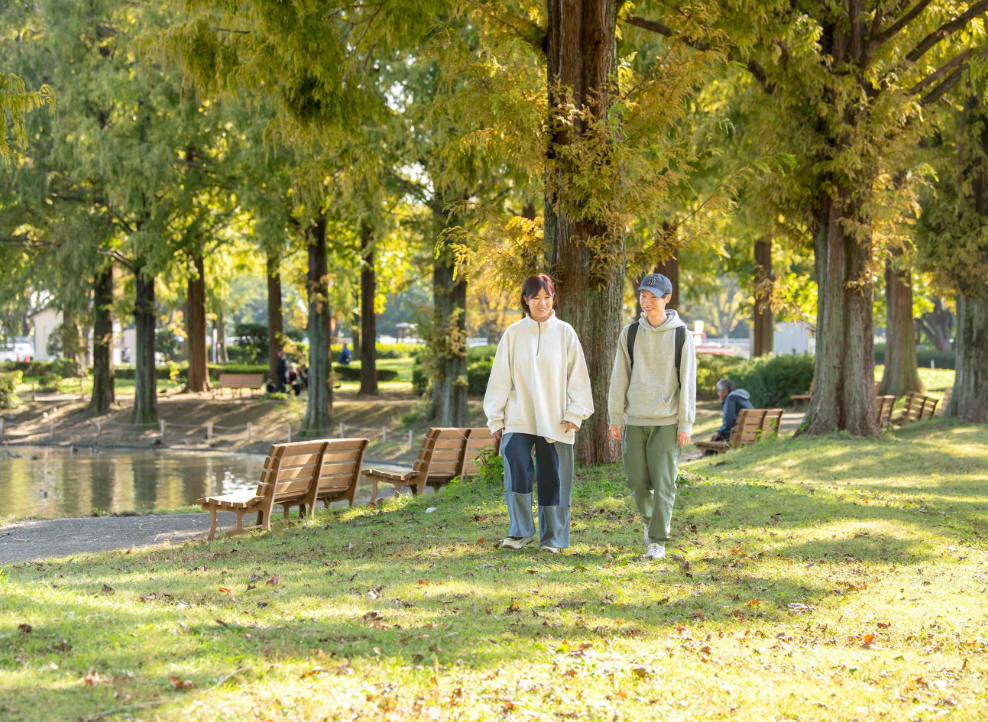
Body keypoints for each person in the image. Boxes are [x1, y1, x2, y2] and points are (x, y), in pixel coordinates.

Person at [484, 274, 594, 554]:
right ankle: (520, 533)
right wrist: (496, 418)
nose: (542, 303)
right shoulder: (513, 334)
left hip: (557, 420)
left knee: (553, 478)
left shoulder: (566, 333)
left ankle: (553, 539)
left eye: (547, 297)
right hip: (518, 419)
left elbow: (578, 377)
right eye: (536, 298)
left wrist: (575, 413)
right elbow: (499, 378)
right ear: (526, 300)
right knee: (517, 472)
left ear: (553, 298)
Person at [607, 272, 697, 561]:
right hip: (635, 419)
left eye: (653, 297)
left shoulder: (682, 335)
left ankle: (657, 539)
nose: (646, 302)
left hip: (667, 422)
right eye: (643, 296)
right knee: (636, 480)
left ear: (667, 299)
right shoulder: (630, 333)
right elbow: (619, 377)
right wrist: (615, 415)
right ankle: (650, 521)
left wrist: (685, 423)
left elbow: (688, 382)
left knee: (664, 482)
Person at [711, 378, 753, 444]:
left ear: (725, 391)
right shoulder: (741, 397)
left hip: (740, 435)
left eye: (719, 390)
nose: (717, 393)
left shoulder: (730, 398)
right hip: (751, 433)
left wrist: (719, 433)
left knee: (714, 442)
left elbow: (728, 422)